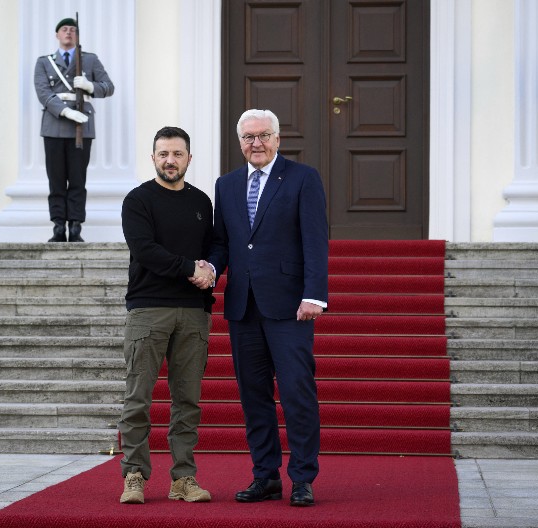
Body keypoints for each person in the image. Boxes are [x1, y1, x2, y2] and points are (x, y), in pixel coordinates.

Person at [198, 109, 328, 507]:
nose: (256, 143)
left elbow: (315, 239)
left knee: (296, 393)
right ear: (240, 142)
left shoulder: (303, 178)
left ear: (277, 139)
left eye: (264, 135)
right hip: (244, 307)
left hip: (290, 306)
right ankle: (265, 476)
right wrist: (212, 266)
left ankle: (303, 479)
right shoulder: (227, 184)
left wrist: (315, 295)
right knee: (254, 396)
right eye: (249, 137)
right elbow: (223, 241)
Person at [118, 126, 215, 505]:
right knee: (138, 398)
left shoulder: (202, 202)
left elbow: (214, 246)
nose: (170, 160)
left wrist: (210, 270)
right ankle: (134, 476)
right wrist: (191, 268)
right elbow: (145, 250)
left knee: (187, 400)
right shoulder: (138, 200)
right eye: (163, 154)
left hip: (193, 312)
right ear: (153, 157)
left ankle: (183, 479)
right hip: (148, 309)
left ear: (189, 158)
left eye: (177, 154)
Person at [34, 17, 114, 242]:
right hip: (54, 125)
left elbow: (108, 87)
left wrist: (90, 86)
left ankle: (76, 227)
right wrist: (66, 112)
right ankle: (59, 227)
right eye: (64, 29)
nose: (68, 33)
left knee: (78, 180)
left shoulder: (89, 60)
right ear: (57, 35)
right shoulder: (44, 62)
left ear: (77, 36)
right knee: (56, 179)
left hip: (82, 127)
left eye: (73, 30)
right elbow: (43, 93)